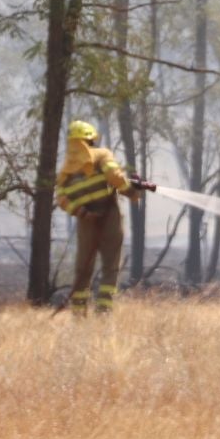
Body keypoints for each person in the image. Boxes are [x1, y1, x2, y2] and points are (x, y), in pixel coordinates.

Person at [55, 119, 140, 316]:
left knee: (82, 270)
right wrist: (130, 191)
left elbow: (61, 199)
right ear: (91, 139)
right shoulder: (101, 154)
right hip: (108, 216)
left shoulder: (66, 169)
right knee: (110, 267)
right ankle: (103, 311)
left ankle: (78, 315)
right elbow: (114, 176)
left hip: (86, 222)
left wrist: (82, 212)